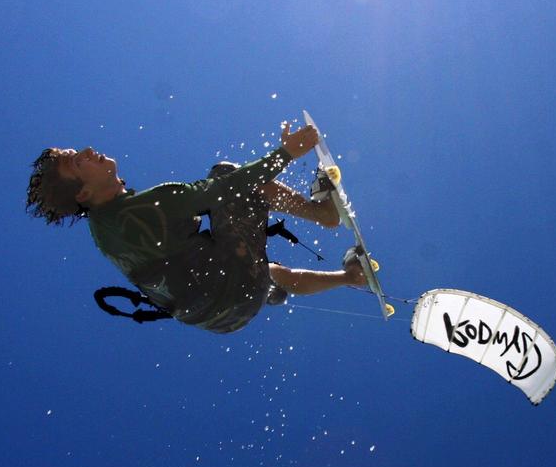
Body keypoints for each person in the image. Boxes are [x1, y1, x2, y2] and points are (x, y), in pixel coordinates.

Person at [26, 122, 366, 333]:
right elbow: (224, 189)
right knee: (227, 175)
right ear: (83, 194)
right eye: (77, 161)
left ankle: (350, 276)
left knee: (270, 273)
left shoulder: (105, 234)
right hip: (231, 282)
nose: (87, 150)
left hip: (220, 318)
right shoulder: (140, 211)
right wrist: (286, 153)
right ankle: (325, 214)